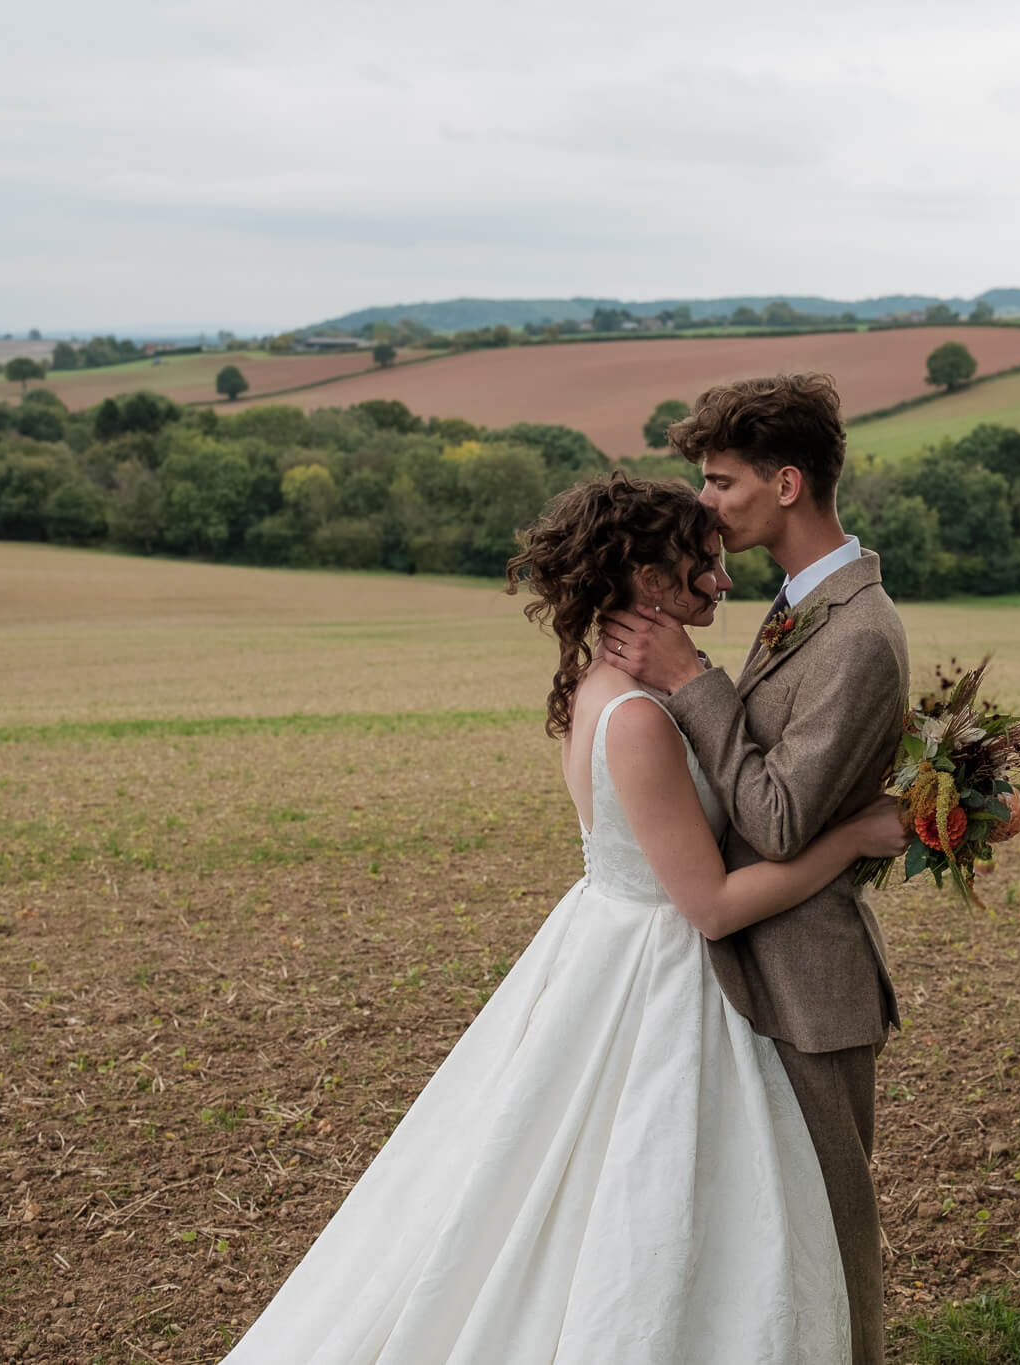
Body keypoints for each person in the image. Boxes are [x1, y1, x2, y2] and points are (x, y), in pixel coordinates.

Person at [221, 474, 907, 1364]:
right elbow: (709, 906)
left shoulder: (612, 685)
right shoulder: (638, 719)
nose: (723, 580)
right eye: (702, 565)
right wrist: (853, 835)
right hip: (661, 975)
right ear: (647, 578)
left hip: (612, 948)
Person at [601, 372, 910, 1365]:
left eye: (721, 481)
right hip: (745, 967)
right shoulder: (798, 601)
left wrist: (692, 680)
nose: (705, 502)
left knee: (831, 1248)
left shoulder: (860, 635)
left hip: (811, 982)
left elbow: (776, 820)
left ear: (785, 483)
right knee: (766, 1254)